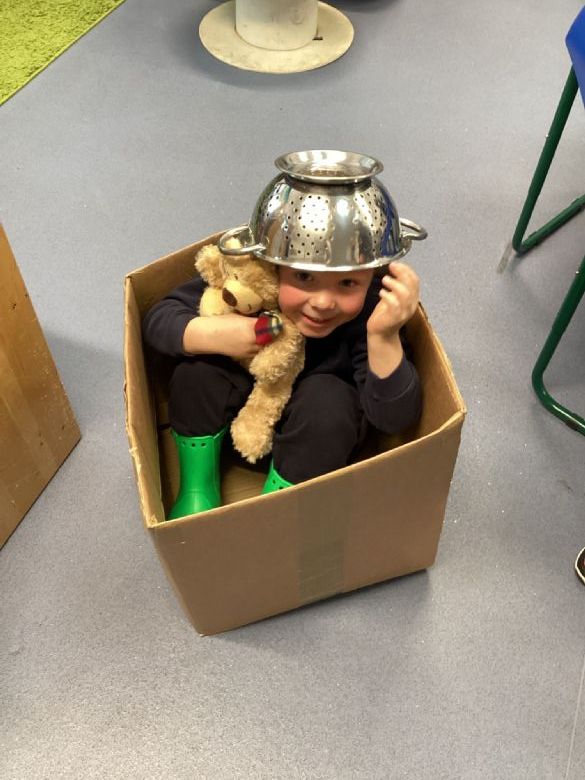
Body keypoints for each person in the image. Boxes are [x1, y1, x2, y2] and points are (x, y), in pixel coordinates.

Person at [142, 258, 422, 520]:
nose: (323, 302)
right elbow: (158, 319)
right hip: (235, 429)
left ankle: (276, 514)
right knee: (196, 373)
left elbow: (394, 418)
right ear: (274, 265)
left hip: (314, 451)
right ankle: (197, 489)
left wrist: (383, 337)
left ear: (370, 277)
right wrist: (217, 334)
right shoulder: (251, 276)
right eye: (303, 276)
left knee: (328, 401)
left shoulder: (372, 311)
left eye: (347, 283)